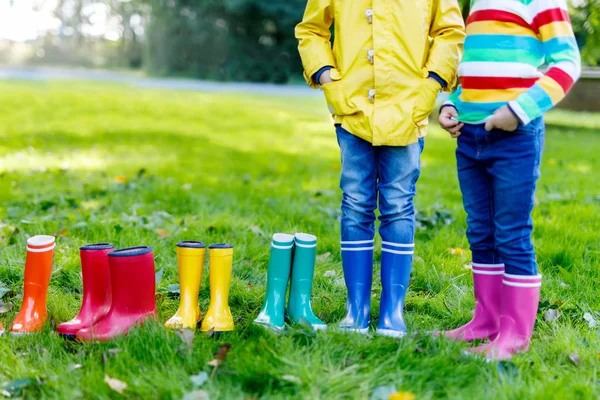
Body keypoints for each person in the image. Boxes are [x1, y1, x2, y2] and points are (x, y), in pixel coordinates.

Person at [296, 1, 465, 337]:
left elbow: (449, 32)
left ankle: (393, 311)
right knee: (355, 201)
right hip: (352, 104)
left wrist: (431, 85)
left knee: (399, 203)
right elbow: (311, 30)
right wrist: (328, 78)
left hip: (409, 106)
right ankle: (355, 309)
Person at [438, 0, 581, 359]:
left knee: (511, 233)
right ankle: (485, 322)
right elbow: (471, 72)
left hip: (514, 136)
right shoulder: (478, 4)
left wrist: (518, 111)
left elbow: (567, 63)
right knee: (481, 230)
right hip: (470, 137)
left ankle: (514, 336)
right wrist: (452, 104)